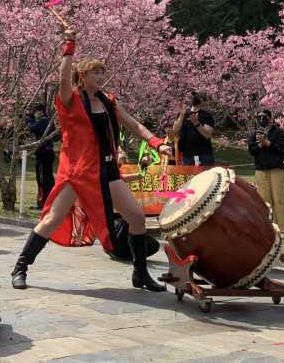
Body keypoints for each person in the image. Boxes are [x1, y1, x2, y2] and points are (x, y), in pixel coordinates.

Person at [10, 27, 172, 293]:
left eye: (102, 73)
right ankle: (21, 267)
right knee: (52, 219)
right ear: (82, 76)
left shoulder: (109, 101)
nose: (100, 77)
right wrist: (69, 45)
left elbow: (134, 125)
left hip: (107, 168)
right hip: (77, 171)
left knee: (137, 218)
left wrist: (157, 143)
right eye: (95, 73)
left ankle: (140, 274)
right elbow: (62, 77)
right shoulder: (70, 100)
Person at [246, 108, 284, 234]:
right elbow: (252, 151)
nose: (261, 119)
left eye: (264, 117)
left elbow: (280, 148)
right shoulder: (254, 134)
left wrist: (267, 142)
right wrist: (260, 144)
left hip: (276, 169)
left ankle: (282, 228)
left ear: (270, 118)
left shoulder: (278, 132)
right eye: (259, 117)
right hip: (261, 170)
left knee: (279, 199)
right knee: (264, 200)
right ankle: (268, 228)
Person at [171, 92, 214, 166]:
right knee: (189, 177)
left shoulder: (207, 116)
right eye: (193, 96)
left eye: (197, 97)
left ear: (203, 101)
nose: (194, 98)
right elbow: (175, 130)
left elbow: (207, 135)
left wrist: (197, 123)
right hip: (187, 155)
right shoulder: (183, 114)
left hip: (204, 155)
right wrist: (181, 115)